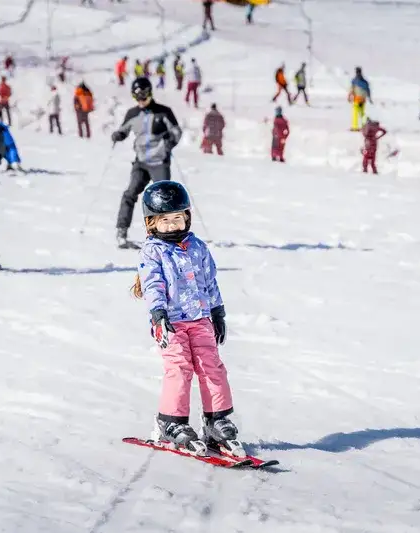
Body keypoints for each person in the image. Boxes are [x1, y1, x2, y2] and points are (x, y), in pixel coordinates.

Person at [131, 180, 237, 455]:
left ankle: (217, 420)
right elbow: (152, 284)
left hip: (201, 319)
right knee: (179, 369)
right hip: (170, 323)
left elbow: (210, 281)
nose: (173, 225)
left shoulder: (198, 247)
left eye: (178, 218)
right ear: (152, 223)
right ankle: (171, 423)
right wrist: (158, 314)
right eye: (165, 220)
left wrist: (217, 311)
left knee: (211, 366)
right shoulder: (152, 251)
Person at [111, 77, 182, 248]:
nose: (141, 100)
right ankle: (122, 231)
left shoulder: (164, 112)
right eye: (137, 97)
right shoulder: (132, 114)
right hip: (141, 162)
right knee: (130, 193)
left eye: (144, 95)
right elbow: (124, 130)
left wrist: (169, 142)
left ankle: (170, 235)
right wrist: (118, 135)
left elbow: (177, 131)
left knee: (164, 198)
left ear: (150, 93)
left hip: (159, 162)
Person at [349, 66, 371, 131]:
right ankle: (364, 126)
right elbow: (368, 90)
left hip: (357, 99)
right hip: (363, 100)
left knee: (355, 114)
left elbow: (352, 90)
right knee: (362, 113)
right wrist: (369, 98)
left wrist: (349, 96)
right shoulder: (365, 82)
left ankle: (355, 127)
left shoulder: (354, 81)